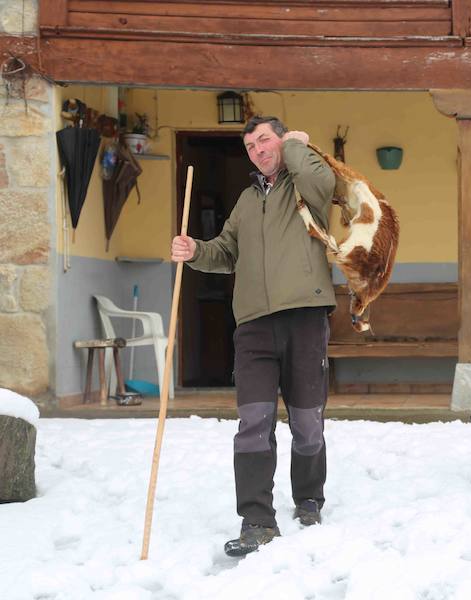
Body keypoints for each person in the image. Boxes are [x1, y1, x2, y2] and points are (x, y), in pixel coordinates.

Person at [171, 116, 336, 557]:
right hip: (253, 326)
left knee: (307, 423)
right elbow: (226, 253)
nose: (257, 150)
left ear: (283, 139)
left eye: (265, 140)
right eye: (249, 146)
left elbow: (325, 186)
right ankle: (258, 520)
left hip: (304, 316)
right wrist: (194, 252)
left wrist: (298, 145)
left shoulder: (307, 183)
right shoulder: (246, 200)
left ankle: (309, 499)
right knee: (253, 424)